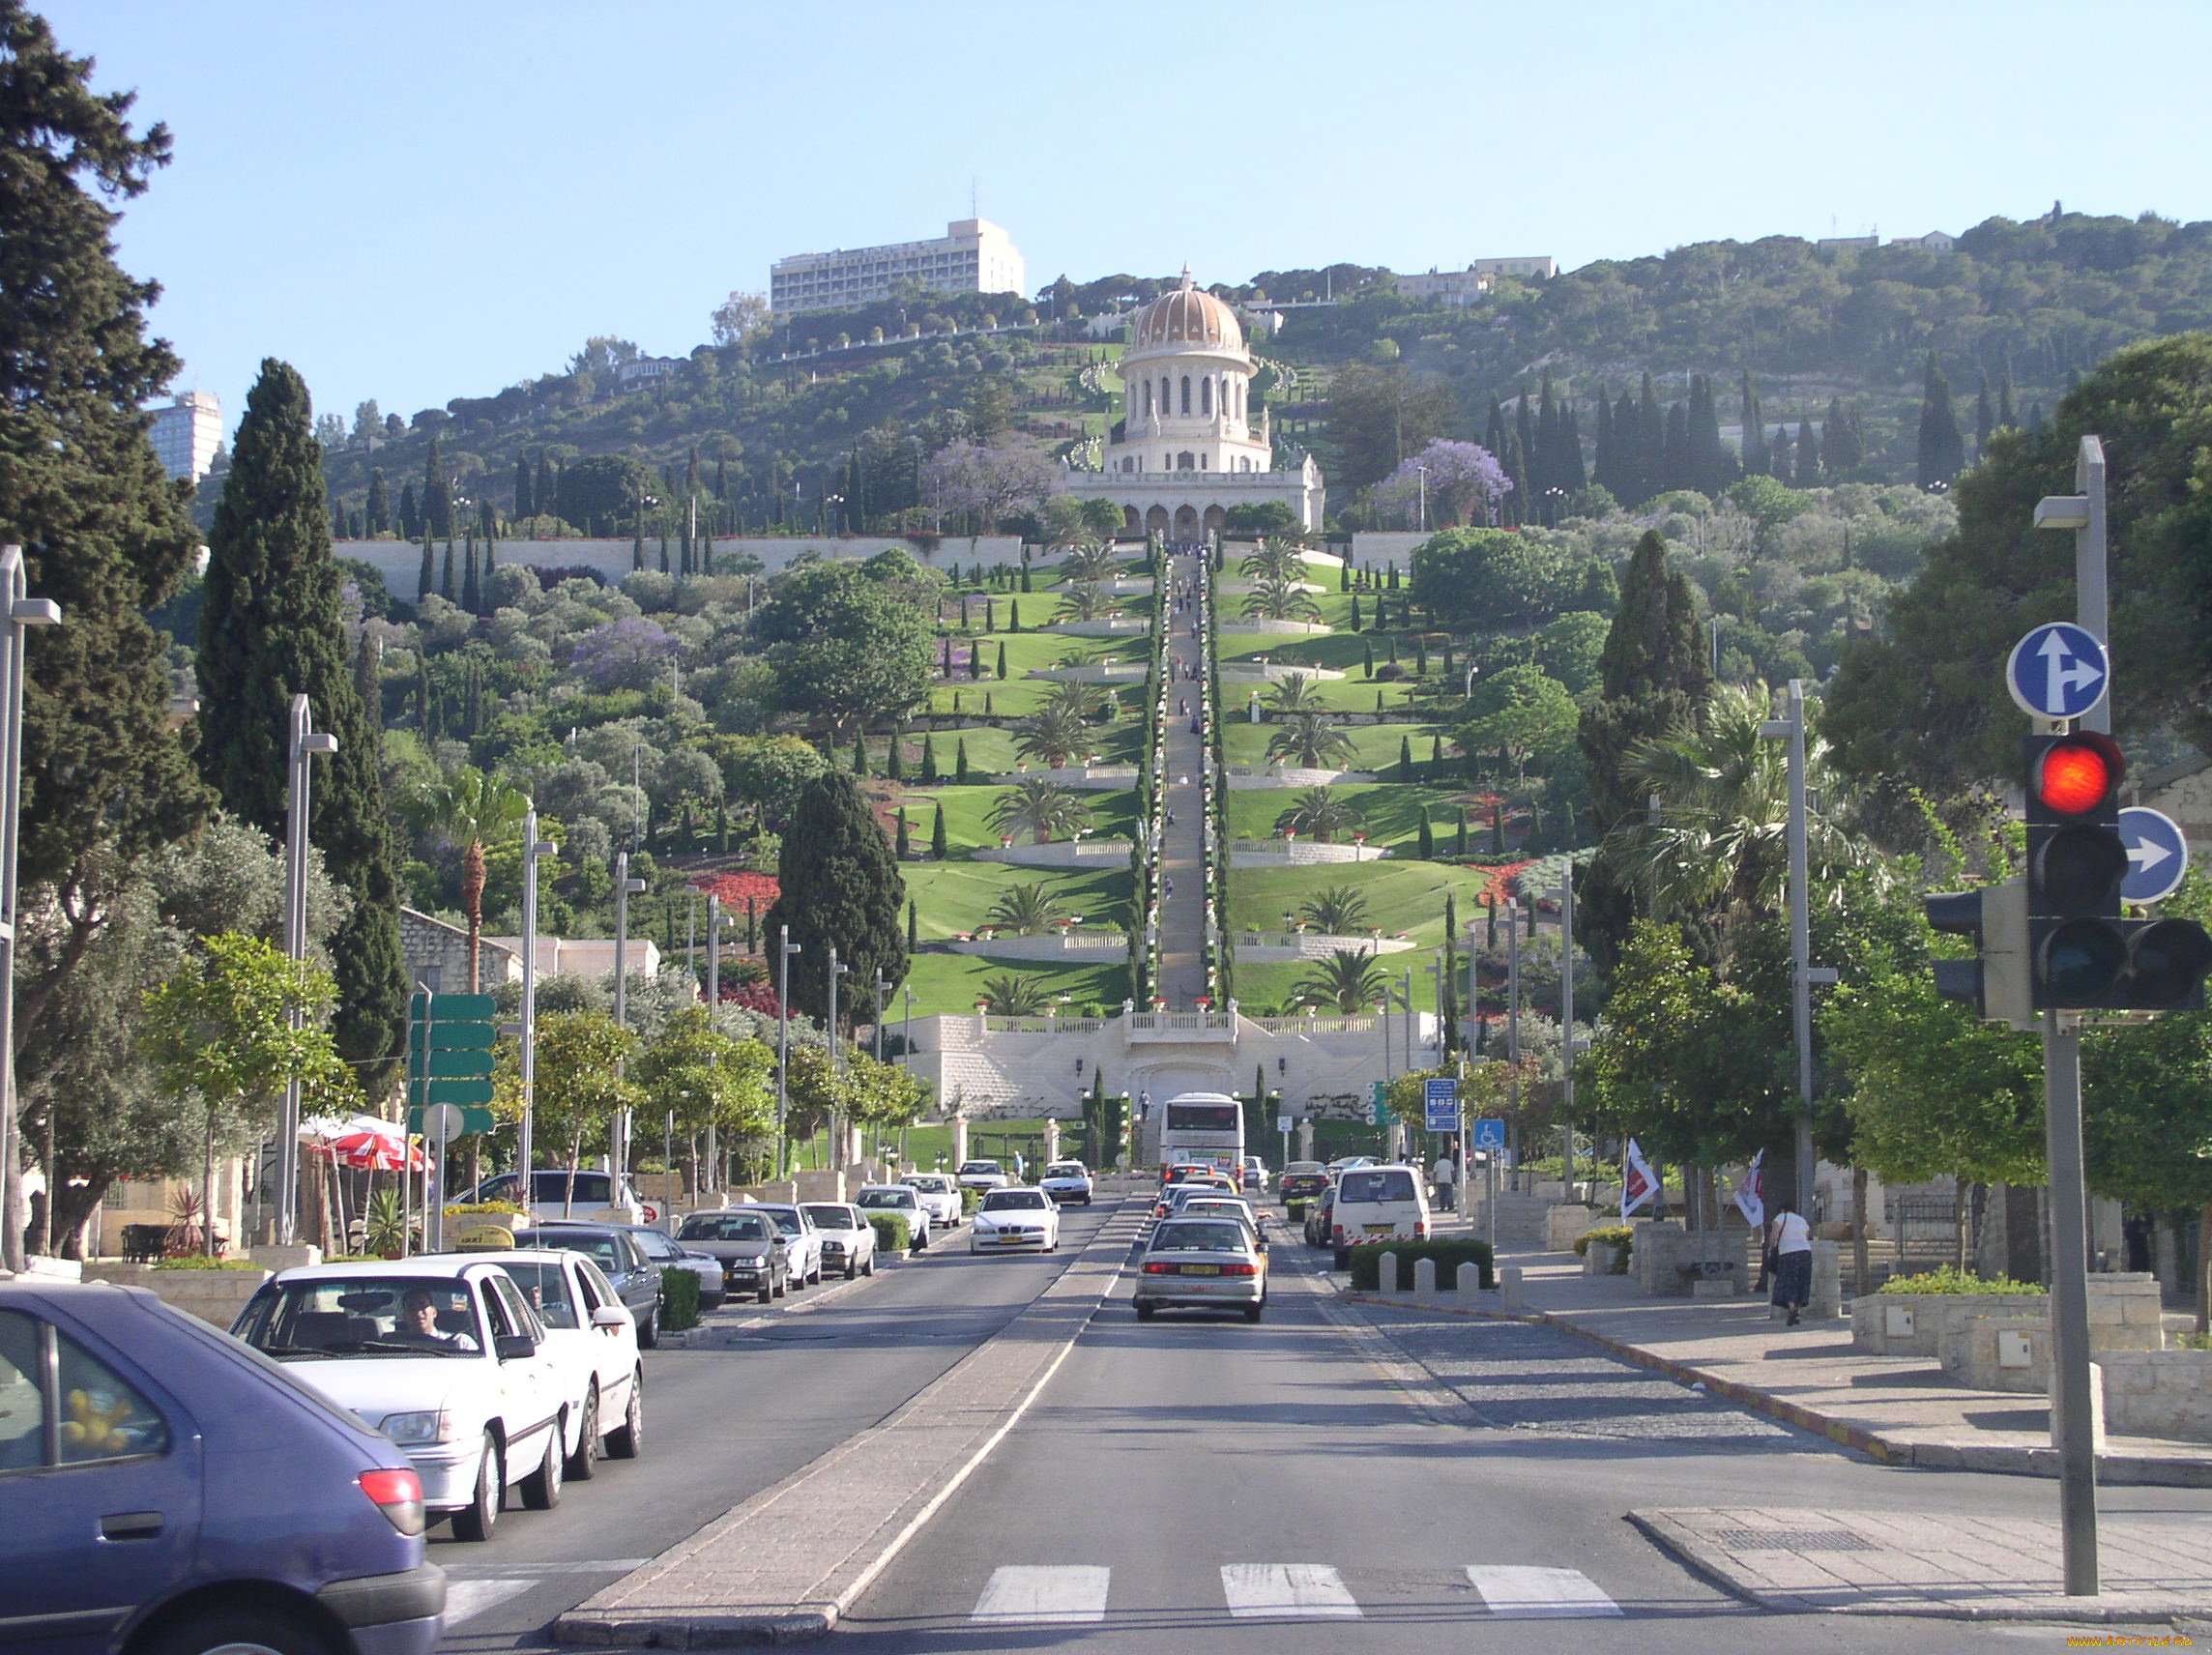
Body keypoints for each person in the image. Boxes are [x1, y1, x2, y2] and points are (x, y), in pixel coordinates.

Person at [1767, 1201, 1814, 1325]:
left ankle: (1792, 1309)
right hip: (1805, 1253)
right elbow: (1807, 1235)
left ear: (1782, 1209)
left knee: (1788, 1282)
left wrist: (1772, 1248)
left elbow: (1774, 1236)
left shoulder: (1781, 1217)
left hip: (1788, 1253)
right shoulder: (1802, 1220)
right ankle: (1797, 1310)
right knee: (1801, 1282)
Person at [393, 1288, 480, 1351]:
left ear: (434, 1312)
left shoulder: (460, 1342)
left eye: (423, 1305)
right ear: (404, 1316)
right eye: (411, 1307)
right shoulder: (393, 1346)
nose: (418, 1311)